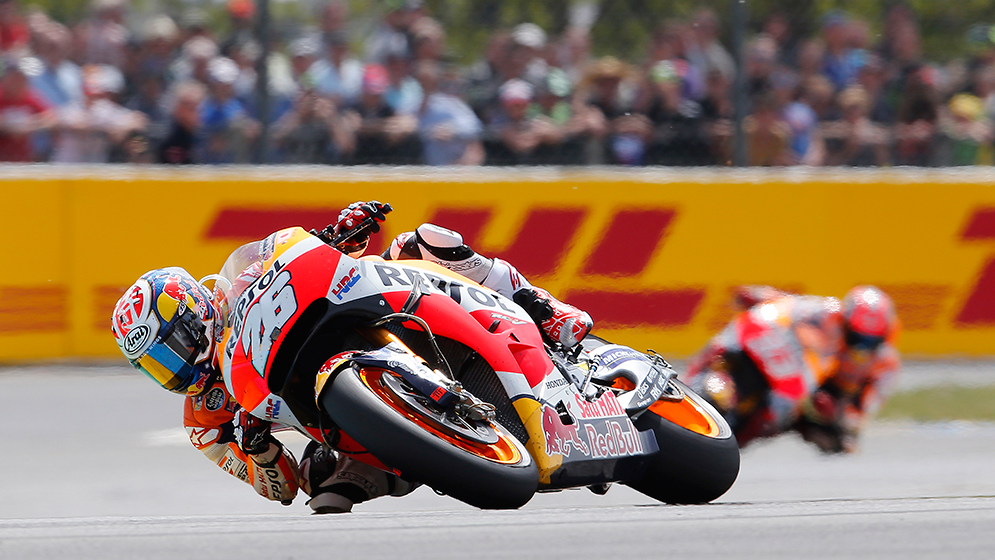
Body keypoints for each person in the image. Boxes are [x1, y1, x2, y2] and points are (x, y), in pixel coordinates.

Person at [111, 201, 591, 513]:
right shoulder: (205, 422)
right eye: (157, 366)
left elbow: (304, 258)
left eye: (170, 351)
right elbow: (280, 488)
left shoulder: (239, 287)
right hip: (348, 427)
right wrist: (258, 448)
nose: (174, 370)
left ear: (195, 314)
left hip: (359, 315)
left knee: (420, 242)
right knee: (324, 491)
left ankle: (542, 309)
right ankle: (442, 448)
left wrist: (338, 234)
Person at [686, 285, 900, 453]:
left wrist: (837, 416)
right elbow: (792, 305)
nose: (860, 347)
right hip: (780, 362)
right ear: (845, 321)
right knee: (722, 351)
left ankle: (728, 448)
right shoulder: (826, 313)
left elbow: (858, 418)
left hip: (816, 398)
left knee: (837, 442)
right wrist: (761, 296)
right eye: (856, 336)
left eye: (870, 341)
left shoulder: (884, 366)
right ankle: (686, 387)